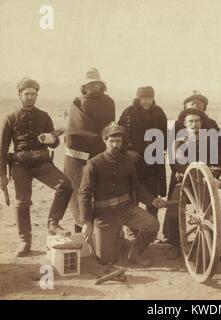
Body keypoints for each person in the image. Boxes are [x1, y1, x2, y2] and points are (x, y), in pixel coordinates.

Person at [0, 78, 73, 257]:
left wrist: (52, 139)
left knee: (65, 185)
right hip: (20, 166)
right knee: (22, 203)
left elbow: (54, 142)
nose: (30, 97)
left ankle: (53, 223)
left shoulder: (44, 116)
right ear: (19, 95)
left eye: (33, 94)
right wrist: (2, 174)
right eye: (27, 94)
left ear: (36, 95)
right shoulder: (10, 118)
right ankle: (25, 241)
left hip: (42, 164)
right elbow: (2, 148)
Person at [78, 122, 165, 266]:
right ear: (105, 141)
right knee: (106, 260)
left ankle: (135, 253)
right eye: (111, 141)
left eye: (118, 141)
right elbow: (84, 194)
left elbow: (137, 188)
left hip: (127, 209)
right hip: (104, 215)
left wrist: (152, 200)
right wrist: (87, 222)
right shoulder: (94, 164)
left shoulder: (128, 162)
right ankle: (117, 238)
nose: (115, 145)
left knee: (152, 224)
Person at [164, 108, 221, 259]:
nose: (194, 124)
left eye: (197, 121)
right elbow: (178, 165)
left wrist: (212, 176)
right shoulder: (178, 143)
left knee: (210, 213)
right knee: (172, 211)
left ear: (202, 123)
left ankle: (205, 242)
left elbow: (216, 164)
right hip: (185, 183)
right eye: (190, 121)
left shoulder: (210, 142)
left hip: (204, 183)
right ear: (184, 124)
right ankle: (175, 244)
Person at [64, 67, 115, 233]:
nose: (93, 87)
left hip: (101, 154)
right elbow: (74, 131)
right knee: (80, 192)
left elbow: (109, 128)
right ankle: (80, 232)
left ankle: (102, 234)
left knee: (102, 194)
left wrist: (106, 143)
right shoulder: (77, 103)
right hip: (78, 157)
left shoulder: (108, 102)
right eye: (90, 84)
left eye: (96, 84)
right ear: (84, 87)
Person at [118, 86, 167, 220]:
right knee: (132, 195)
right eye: (144, 99)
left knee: (152, 195)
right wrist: (126, 151)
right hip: (134, 162)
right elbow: (118, 135)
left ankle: (152, 227)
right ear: (138, 99)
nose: (146, 102)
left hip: (153, 163)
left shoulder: (159, 112)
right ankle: (133, 230)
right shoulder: (128, 113)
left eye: (149, 99)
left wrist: (162, 149)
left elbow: (165, 134)